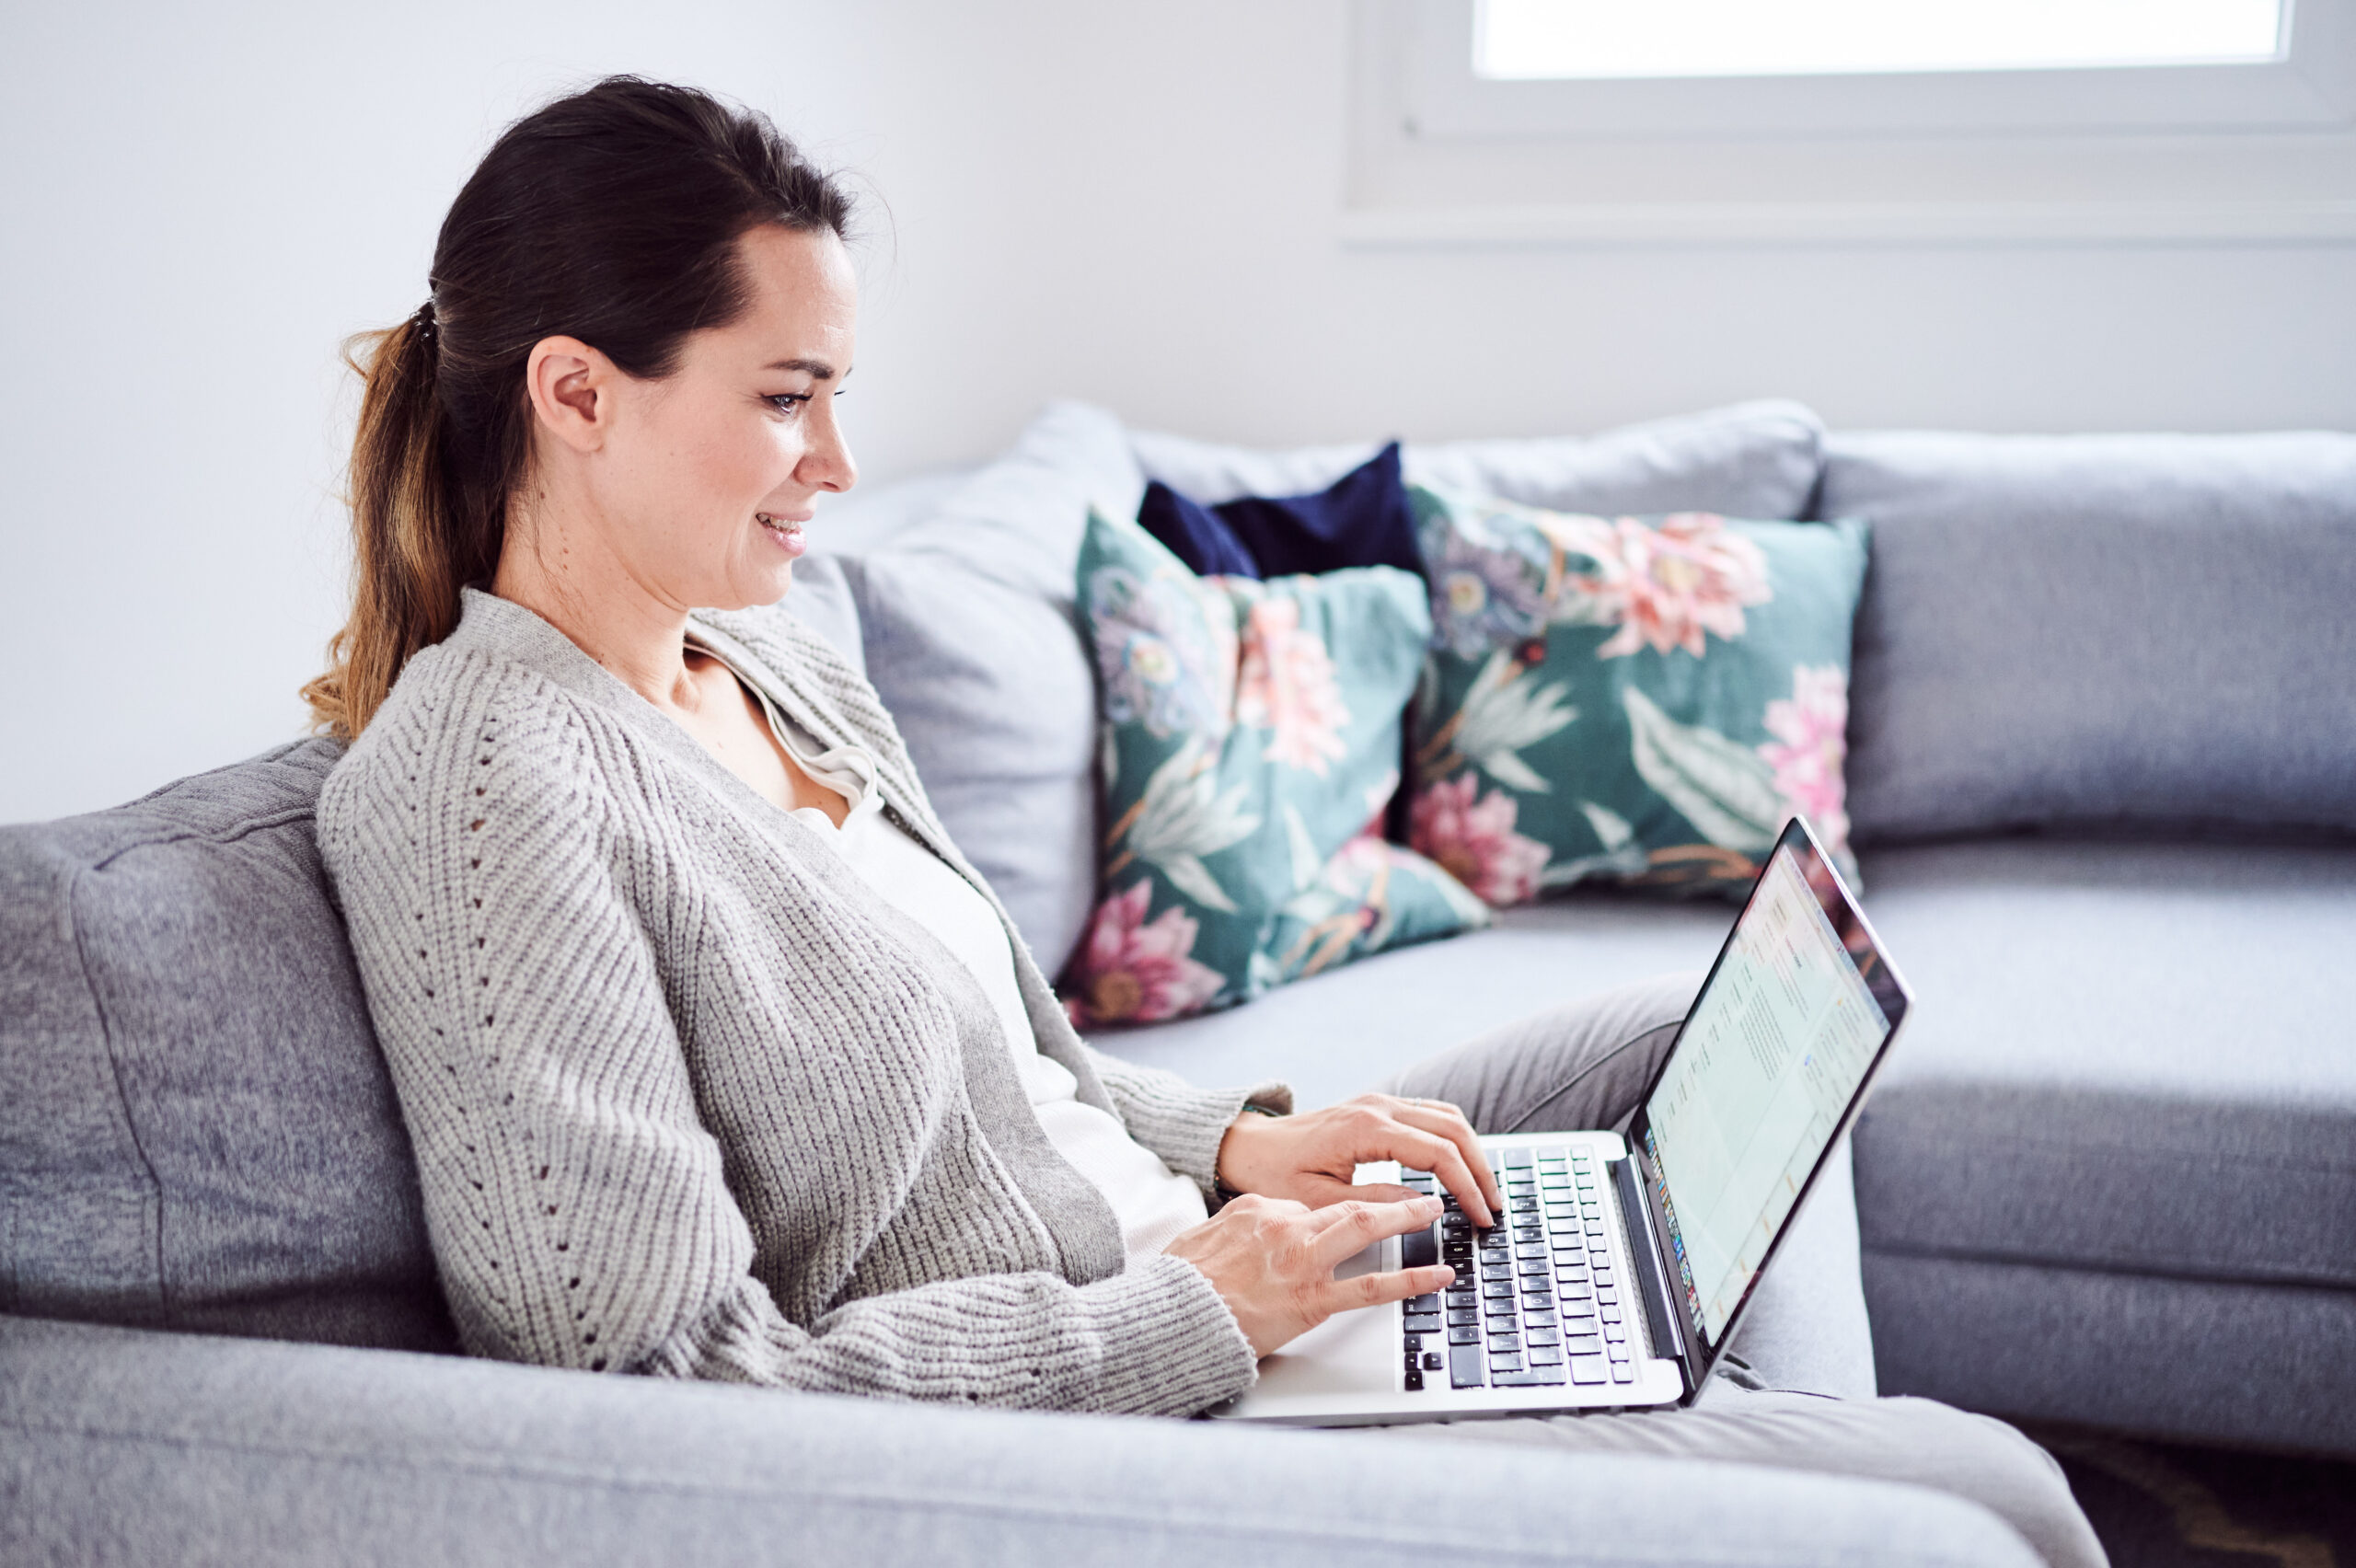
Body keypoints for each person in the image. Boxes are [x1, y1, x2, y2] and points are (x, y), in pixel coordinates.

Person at [306, 76, 2104, 1568]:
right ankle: (1705, 1468)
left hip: (1215, 1270)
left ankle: (1696, 1435)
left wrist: (1241, 1149)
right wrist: (1205, 1312)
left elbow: (1019, 1075)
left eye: (836, 394)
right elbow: (661, 1393)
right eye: (786, 401)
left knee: (1691, 1064)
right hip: (1132, 1412)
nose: (838, 465)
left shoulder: (769, 671)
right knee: (1987, 1504)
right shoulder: (484, 799)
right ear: (573, 394)